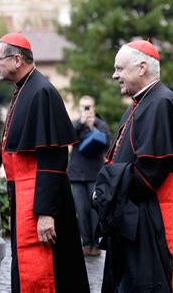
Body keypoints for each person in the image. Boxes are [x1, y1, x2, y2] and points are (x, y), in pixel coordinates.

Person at [92, 40, 173, 292]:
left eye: (119, 68)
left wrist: (110, 188)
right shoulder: (140, 103)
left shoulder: (162, 102)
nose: (114, 75)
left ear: (142, 68)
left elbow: (151, 173)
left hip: (156, 214)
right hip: (136, 212)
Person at [0, 32, 89, 292]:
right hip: (26, 197)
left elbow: (53, 156)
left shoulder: (41, 91)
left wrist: (45, 212)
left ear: (16, 59)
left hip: (40, 201)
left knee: (50, 273)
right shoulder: (25, 89)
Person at [68, 95, 111, 256]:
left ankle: (95, 243)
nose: (87, 110)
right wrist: (81, 123)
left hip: (95, 175)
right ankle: (86, 243)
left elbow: (107, 143)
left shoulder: (101, 124)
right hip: (77, 175)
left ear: (94, 107)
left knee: (95, 212)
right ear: (79, 108)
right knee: (82, 210)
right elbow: (68, 138)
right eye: (83, 107)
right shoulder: (75, 124)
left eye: (89, 107)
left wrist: (93, 128)